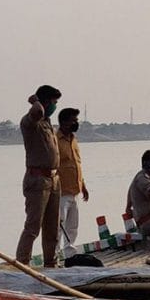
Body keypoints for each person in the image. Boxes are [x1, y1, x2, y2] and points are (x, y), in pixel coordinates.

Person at [15, 85, 62, 267]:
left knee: (52, 228)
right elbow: (36, 111)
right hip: (37, 180)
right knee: (33, 226)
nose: (55, 106)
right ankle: (23, 264)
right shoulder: (30, 122)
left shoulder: (48, 123)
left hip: (53, 179)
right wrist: (35, 101)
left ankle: (51, 262)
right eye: (53, 102)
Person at [56, 107, 88, 260]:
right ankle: (54, 254)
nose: (76, 123)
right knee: (58, 225)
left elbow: (77, 165)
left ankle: (69, 252)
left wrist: (84, 186)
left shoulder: (73, 140)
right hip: (61, 191)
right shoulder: (56, 140)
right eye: (73, 120)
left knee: (72, 226)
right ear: (64, 122)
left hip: (75, 190)